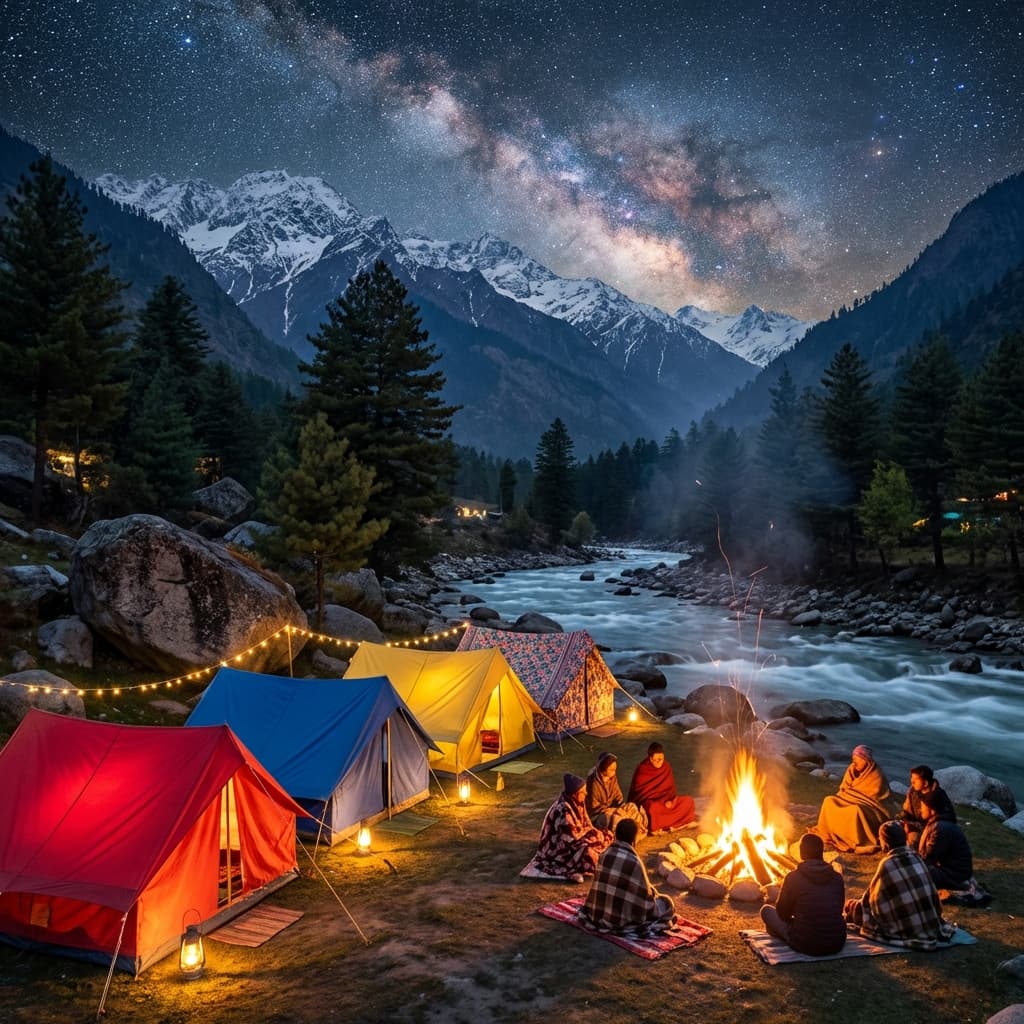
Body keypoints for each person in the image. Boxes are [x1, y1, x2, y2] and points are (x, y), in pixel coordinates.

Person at [844, 820, 956, 950]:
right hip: (930, 923)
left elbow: (874, 902)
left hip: (904, 927)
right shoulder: (916, 857)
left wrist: (857, 907)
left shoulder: (887, 864)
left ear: (885, 843)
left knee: (853, 908)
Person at [581, 818, 676, 936]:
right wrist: (653, 893)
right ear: (634, 839)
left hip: (598, 913)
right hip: (621, 919)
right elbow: (644, 898)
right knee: (666, 903)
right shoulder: (634, 862)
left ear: (616, 835)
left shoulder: (605, 854)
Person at [759, 832, 847, 956]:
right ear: (821, 852)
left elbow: (782, 913)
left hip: (805, 943)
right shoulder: (837, 877)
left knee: (766, 911)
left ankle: (783, 933)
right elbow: (838, 910)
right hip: (836, 942)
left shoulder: (793, 877)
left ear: (801, 853)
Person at [812, 744, 894, 853]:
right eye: (853, 759)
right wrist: (845, 796)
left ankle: (854, 839)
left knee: (856, 810)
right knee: (829, 800)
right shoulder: (852, 769)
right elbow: (844, 788)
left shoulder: (876, 775)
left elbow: (875, 798)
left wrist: (851, 795)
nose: (854, 762)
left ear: (865, 760)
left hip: (870, 808)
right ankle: (832, 832)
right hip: (848, 799)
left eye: (857, 760)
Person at [533, 773, 613, 882]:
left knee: (607, 834)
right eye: (583, 792)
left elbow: (587, 823)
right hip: (561, 847)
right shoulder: (564, 809)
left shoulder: (578, 802)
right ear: (575, 794)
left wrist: (595, 833)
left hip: (578, 837)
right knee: (588, 852)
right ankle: (581, 868)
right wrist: (591, 837)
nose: (586, 793)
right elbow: (570, 838)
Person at [627, 742, 696, 833]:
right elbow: (641, 795)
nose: (660, 762)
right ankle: (671, 823)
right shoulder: (643, 769)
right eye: (657, 759)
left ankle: (671, 823)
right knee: (652, 809)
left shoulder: (666, 766)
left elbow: (670, 788)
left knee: (688, 801)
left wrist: (671, 801)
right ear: (651, 758)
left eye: (662, 759)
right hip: (652, 803)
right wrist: (661, 802)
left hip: (667, 803)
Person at [917, 790, 975, 891]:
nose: (920, 809)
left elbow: (929, 857)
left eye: (922, 806)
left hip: (956, 875)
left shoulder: (940, 828)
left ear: (931, 809)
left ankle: (960, 887)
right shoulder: (939, 824)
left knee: (917, 872)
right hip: (954, 870)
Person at [586, 752, 649, 835]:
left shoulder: (613, 779)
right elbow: (594, 807)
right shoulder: (593, 783)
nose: (614, 772)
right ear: (603, 768)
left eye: (615, 769)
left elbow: (618, 797)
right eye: (611, 770)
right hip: (599, 815)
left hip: (614, 809)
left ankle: (637, 829)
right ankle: (622, 835)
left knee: (631, 807)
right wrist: (615, 810)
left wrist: (622, 808)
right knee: (616, 818)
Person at [899, 764, 956, 848]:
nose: (912, 781)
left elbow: (931, 823)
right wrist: (903, 821)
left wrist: (911, 825)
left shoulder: (935, 796)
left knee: (913, 839)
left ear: (925, 783)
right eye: (911, 778)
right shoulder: (913, 791)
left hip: (932, 831)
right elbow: (906, 810)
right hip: (914, 824)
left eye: (915, 779)